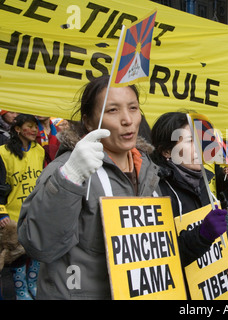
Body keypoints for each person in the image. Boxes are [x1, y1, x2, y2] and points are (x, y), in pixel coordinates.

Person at [17, 75, 160, 299]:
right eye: (112, 110)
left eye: (133, 108)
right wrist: (69, 179)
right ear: (89, 121)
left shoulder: (149, 170)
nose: (127, 120)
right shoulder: (66, 169)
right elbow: (39, 245)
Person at [150, 111, 228, 274]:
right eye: (191, 141)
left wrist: (227, 256)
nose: (199, 147)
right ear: (167, 152)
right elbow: (161, 259)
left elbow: (215, 243)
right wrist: (202, 235)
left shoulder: (205, 182)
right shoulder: (156, 192)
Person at [0, 114, 44, 299]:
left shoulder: (40, 151)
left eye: (36, 126)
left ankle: (32, 285)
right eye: (30, 126)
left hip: (36, 212)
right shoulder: (2, 152)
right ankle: (21, 291)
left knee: (36, 250)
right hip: (13, 214)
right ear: (18, 129)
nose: (34, 130)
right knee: (17, 254)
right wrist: (1, 212)